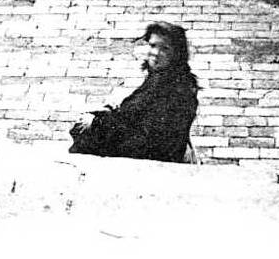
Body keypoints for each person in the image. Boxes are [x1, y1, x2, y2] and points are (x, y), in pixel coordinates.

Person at [68, 22, 198, 163]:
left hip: (150, 157)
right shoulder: (161, 77)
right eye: (153, 45)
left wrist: (96, 123)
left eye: (165, 48)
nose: (155, 53)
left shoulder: (176, 89)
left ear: (176, 54)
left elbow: (146, 136)